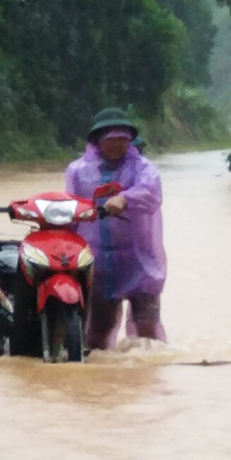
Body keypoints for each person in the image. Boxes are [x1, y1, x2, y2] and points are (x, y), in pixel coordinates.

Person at [64, 107, 167, 351]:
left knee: (147, 328)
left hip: (141, 261)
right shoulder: (78, 171)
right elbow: (71, 207)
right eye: (111, 140)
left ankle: (146, 376)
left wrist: (125, 199)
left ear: (130, 141)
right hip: (100, 263)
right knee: (98, 333)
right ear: (97, 140)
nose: (117, 145)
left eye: (123, 139)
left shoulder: (144, 169)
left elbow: (151, 193)